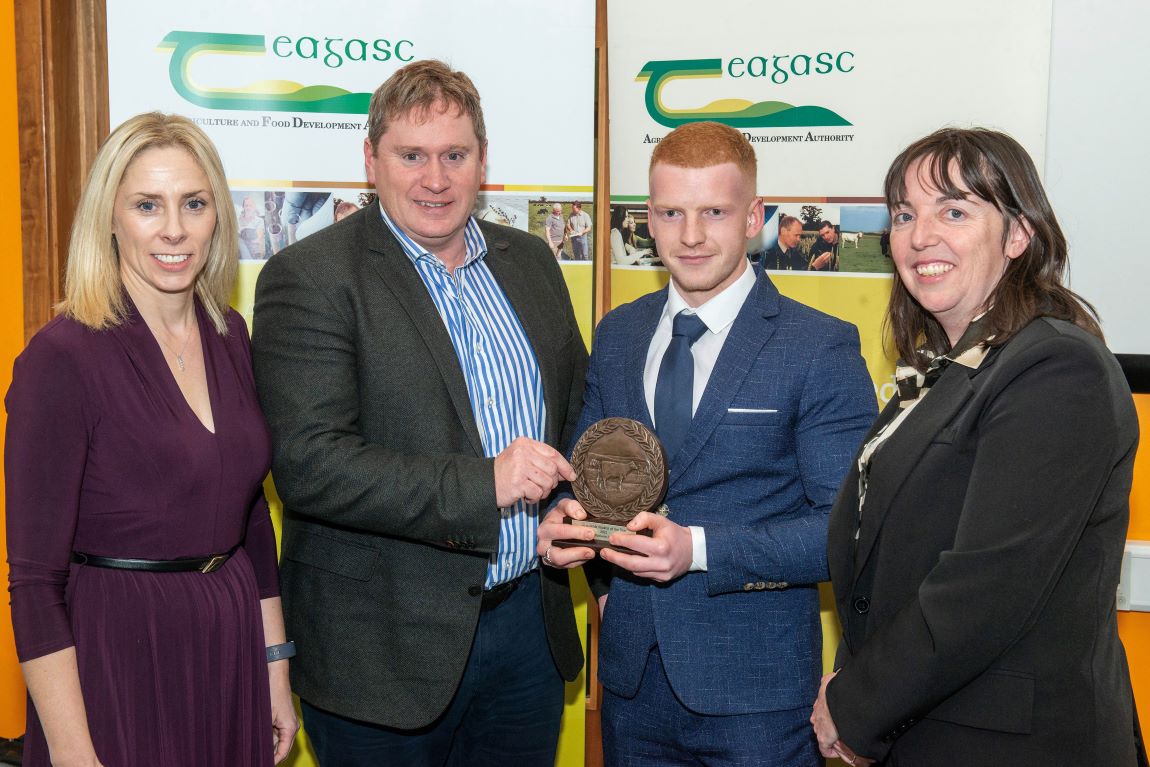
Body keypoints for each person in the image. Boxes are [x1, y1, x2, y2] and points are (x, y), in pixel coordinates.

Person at [251, 59, 588, 766]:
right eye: (412, 155)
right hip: (381, 660)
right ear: (371, 159)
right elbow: (310, 464)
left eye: (454, 156)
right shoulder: (310, 277)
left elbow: (574, 414)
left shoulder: (531, 262)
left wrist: (570, 503)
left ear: (482, 162)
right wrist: (483, 484)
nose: (435, 179)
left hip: (527, 631)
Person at [538, 121, 876, 766]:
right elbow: (595, 478)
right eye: (671, 213)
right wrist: (568, 528)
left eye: (714, 212)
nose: (690, 236)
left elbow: (845, 531)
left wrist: (696, 550)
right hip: (633, 681)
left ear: (753, 218)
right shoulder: (618, 335)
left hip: (757, 692)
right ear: (650, 218)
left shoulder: (817, 346)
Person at [811, 128, 1147, 766]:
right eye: (905, 215)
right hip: (931, 730)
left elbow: (986, 586)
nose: (921, 234)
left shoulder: (1056, 367)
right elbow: (883, 561)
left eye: (955, 211)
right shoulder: (948, 368)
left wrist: (856, 707)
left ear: (1018, 236)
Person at [4, 112, 297, 766]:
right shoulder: (62, 358)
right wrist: (75, 752)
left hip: (229, 648)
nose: (173, 228)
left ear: (218, 213)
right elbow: (33, 581)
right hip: (117, 657)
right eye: (147, 205)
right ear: (109, 217)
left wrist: (276, 666)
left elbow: (252, 518)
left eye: (193, 203)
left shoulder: (229, 333)